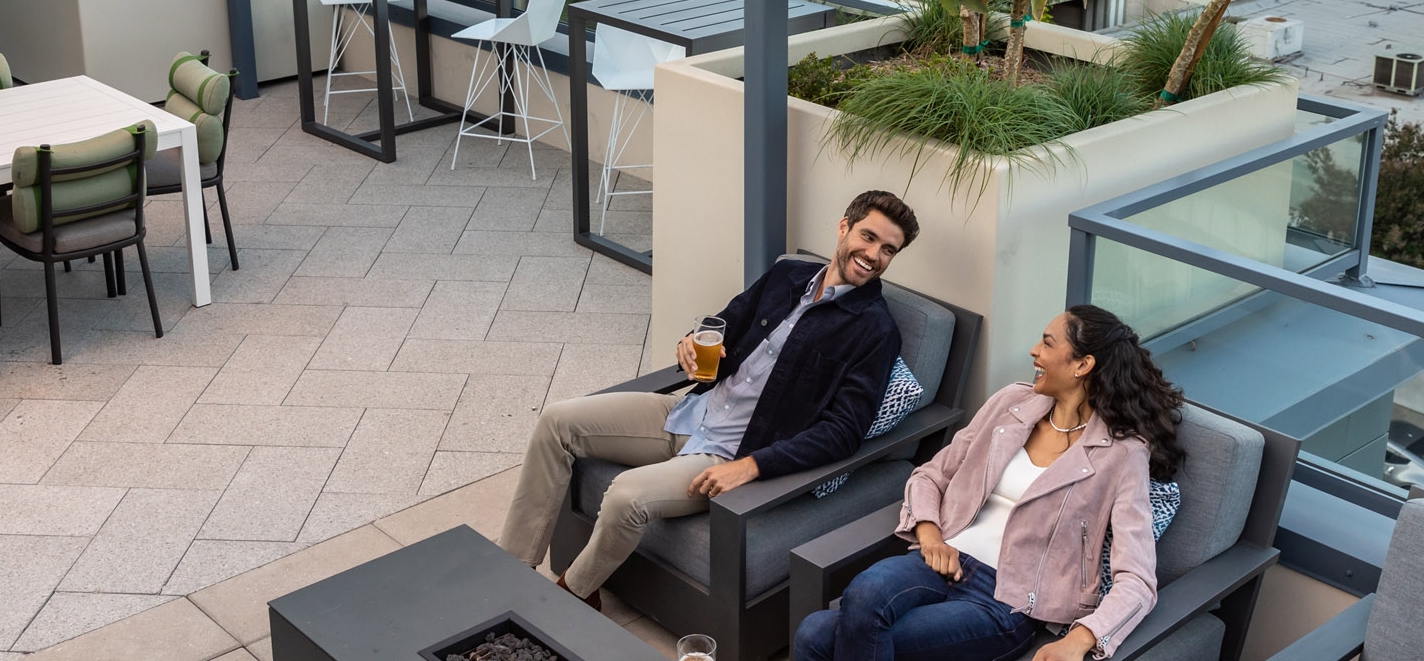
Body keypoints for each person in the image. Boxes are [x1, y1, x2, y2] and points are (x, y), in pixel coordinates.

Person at [499, 190, 921, 607]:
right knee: (557, 421)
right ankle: (509, 574)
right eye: (868, 237)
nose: (874, 254)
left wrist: (752, 466)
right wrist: (690, 342)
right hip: (689, 413)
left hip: (729, 454)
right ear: (844, 227)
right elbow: (725, 324)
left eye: (888, 250)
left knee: (626, 496)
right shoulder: (787, 275)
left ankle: (570, 596)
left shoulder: (875, 331)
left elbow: (843, 433)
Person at [795, 305, 1188, 661]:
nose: (1035, 351)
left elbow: (1136, 579)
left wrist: (1081, 638)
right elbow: (932, 475)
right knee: (863, 593)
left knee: (817, 635)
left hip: (1007, 603)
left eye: (1048, 344)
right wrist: (930, 537)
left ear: (1082, 365)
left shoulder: (1121, 453)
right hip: (941, 561)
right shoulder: (1009, 403)